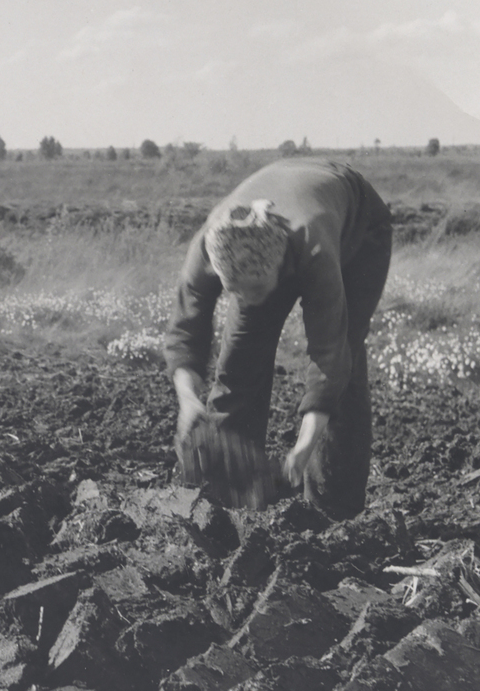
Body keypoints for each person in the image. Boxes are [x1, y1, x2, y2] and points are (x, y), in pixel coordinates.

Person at [163, 158, 392, 521]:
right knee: (239, 358)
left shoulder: (314, 252)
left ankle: (332, 508)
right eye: (236, 290)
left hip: (358, 229)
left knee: (346, 357)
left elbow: (329, 355)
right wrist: (189, 401)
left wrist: (303, 446)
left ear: (280, 265)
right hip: (284, 215)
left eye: (256, 289)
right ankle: (229, 495)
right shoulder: (209, 248)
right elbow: (186, 332)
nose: (249, 299)